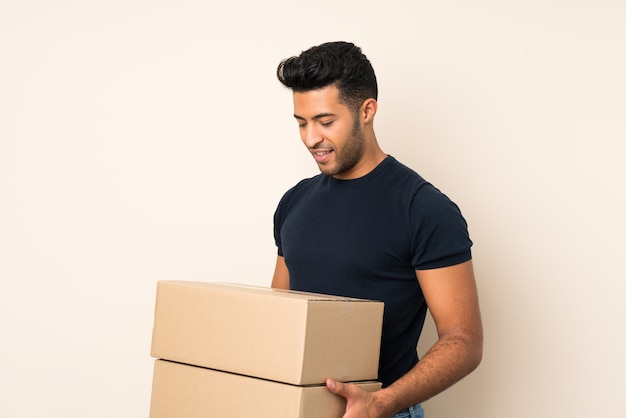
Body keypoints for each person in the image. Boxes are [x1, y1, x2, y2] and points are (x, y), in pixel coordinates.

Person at [271, 41, 483, 418]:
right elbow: (279, 312)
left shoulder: (422, 208)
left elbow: (464, 341)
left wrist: (380, 403)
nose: (310, 139)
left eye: (325, 121)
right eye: (301, 123)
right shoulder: (294, 202)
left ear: (366, 110)